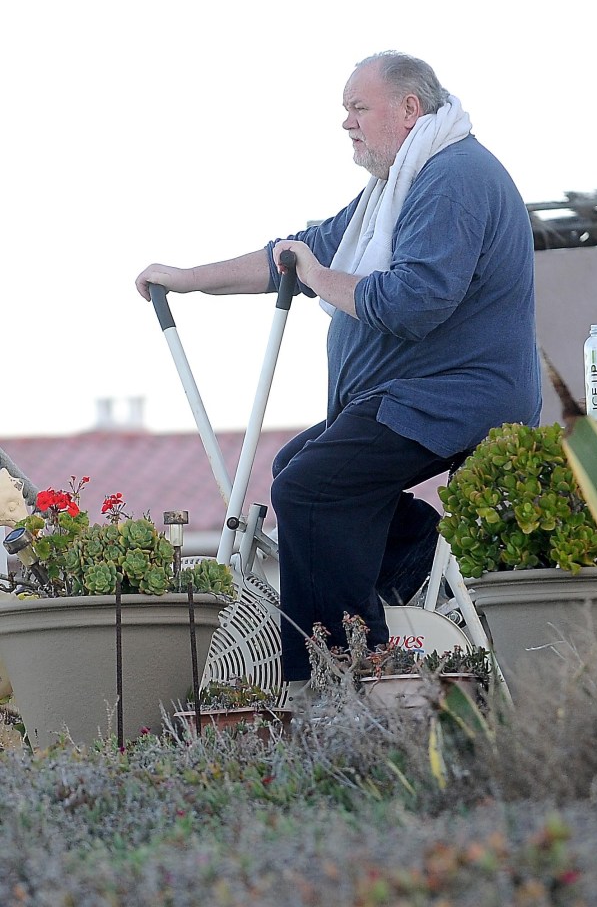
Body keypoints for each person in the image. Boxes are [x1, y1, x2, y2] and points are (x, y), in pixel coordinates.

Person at [135, 51, 542, 683]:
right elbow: (298, 253)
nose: (346, 124)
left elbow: (413, 302)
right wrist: (187, 279)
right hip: (408, 397)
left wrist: (320, 278)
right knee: (295, 467)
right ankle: (407, 568)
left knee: (312, 488)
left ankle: (345, 671)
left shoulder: (453, 177)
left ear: (409, 109)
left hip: (451, 399)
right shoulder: (397, 186)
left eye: (358, 108)